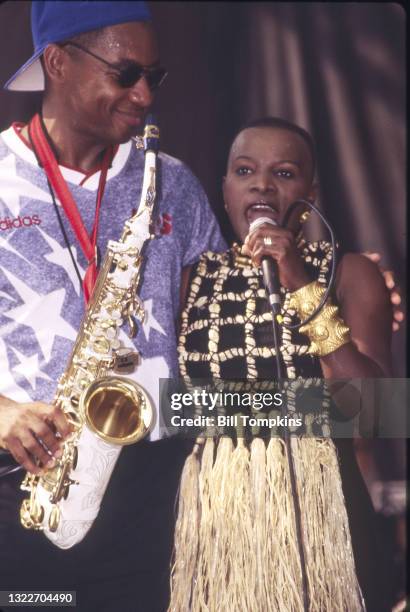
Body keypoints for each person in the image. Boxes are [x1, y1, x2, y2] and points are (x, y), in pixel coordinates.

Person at [0, 2, 226, 611]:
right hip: (28, 478)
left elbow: (215, 330)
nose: (145, 94)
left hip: (154, 485)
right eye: (125, 74)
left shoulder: (173, 181)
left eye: (156, 76)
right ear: (57, 63)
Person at [170, 117, 394, 612]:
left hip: (324, 513)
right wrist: (308, 409)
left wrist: (300, 284)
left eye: (285, 173)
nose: (263, 184)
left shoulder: (349, 270)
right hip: (215, 518)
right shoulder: (190, 279)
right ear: (225, 189)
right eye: (245, 170)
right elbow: (172, 410)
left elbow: (376, 410)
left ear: (311, 192)